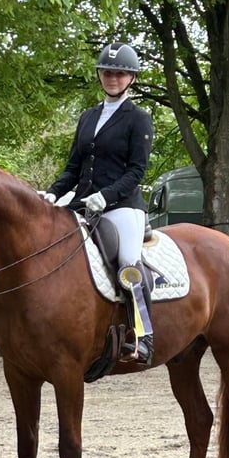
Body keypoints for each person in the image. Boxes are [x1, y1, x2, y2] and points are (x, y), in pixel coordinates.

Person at [43, 41, 155, 364]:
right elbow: (73, 168)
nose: (112, 78)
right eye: (107, 72)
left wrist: (106, 196)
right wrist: (53, 192)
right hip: (82, 203)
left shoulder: (138, 119)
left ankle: (143, 335)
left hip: (122, 206)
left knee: (129, 263)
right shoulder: (88, 117)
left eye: (120, 74)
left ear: (131, 78)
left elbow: (136, 171)